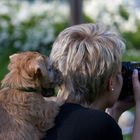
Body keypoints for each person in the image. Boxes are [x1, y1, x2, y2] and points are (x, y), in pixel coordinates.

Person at [42, 23, 140, 140]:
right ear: (111, 82)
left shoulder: (42, 117)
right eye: (120, 72)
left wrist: (115, 111)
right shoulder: (101, 125)